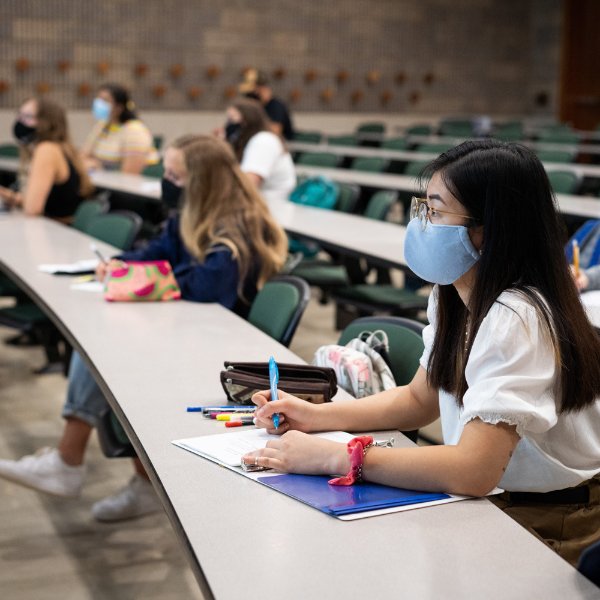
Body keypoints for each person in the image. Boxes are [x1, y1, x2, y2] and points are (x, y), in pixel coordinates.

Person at [243, 140, 600, 567]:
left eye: (435, 211)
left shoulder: (517, 316)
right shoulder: (454, 292)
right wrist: (315, 416)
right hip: (499, 500)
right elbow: (418, 400)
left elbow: (473, 469)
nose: (422, 225)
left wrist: (337, 457)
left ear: (488, 229)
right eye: (422, 209)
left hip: (553, 521)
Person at [0, 135, 288, 522]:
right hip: (186, 329)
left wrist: (149, 277)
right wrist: (120, 264)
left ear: (200, 182)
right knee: (103, 333)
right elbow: (154, 253)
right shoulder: (190, 214)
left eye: (173, 173)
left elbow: (206, 287)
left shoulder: (237, 227)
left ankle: (75, 464)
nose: (165, 180)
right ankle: (96, 470)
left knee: (108, 344)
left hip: (218, 347)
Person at [0, 97, 93, 222]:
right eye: (19, 115)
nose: (19, 121)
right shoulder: (58, 146)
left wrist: (11, 196)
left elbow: (32, 209)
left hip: (58, 232)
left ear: (46, 122)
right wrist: (9, 195)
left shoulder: (46, 149)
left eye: (27, 117)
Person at [224, 97, 296, 203]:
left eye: (233, 118)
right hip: (262, 203)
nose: (229, 125)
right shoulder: (251, 141)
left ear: (247, 119)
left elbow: (249, 183)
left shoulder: (263, 140)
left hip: (276, 205)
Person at [81, 83, 159, 174]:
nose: (99, 104)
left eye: (105, 100)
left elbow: (130, 173)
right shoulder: (101, 125)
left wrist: (99, 166)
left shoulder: (135, 130)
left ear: (119, 107)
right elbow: (82, 156)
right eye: (98, 99)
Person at [240, 69, 295, 140]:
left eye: (253, 92)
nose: (250, 97)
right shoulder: (257, 106)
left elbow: (275, 131)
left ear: (261, 89)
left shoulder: (275, 106)